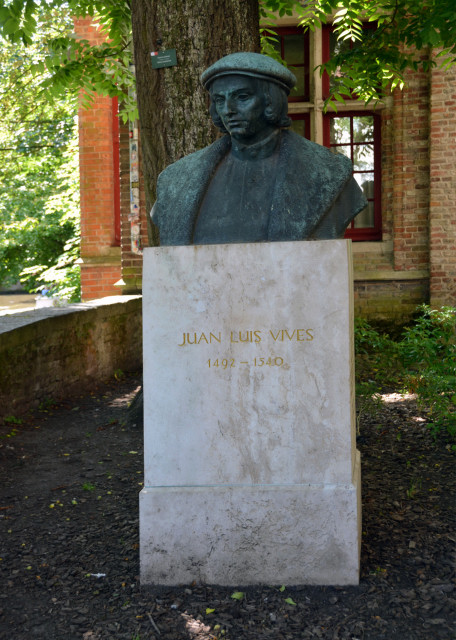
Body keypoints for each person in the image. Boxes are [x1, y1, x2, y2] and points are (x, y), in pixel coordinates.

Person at [152, 52, 366, 246]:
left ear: (271, 101)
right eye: (219, 100)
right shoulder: (174, 181)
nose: (228, 110)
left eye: (242, 97)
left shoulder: (330, 175)